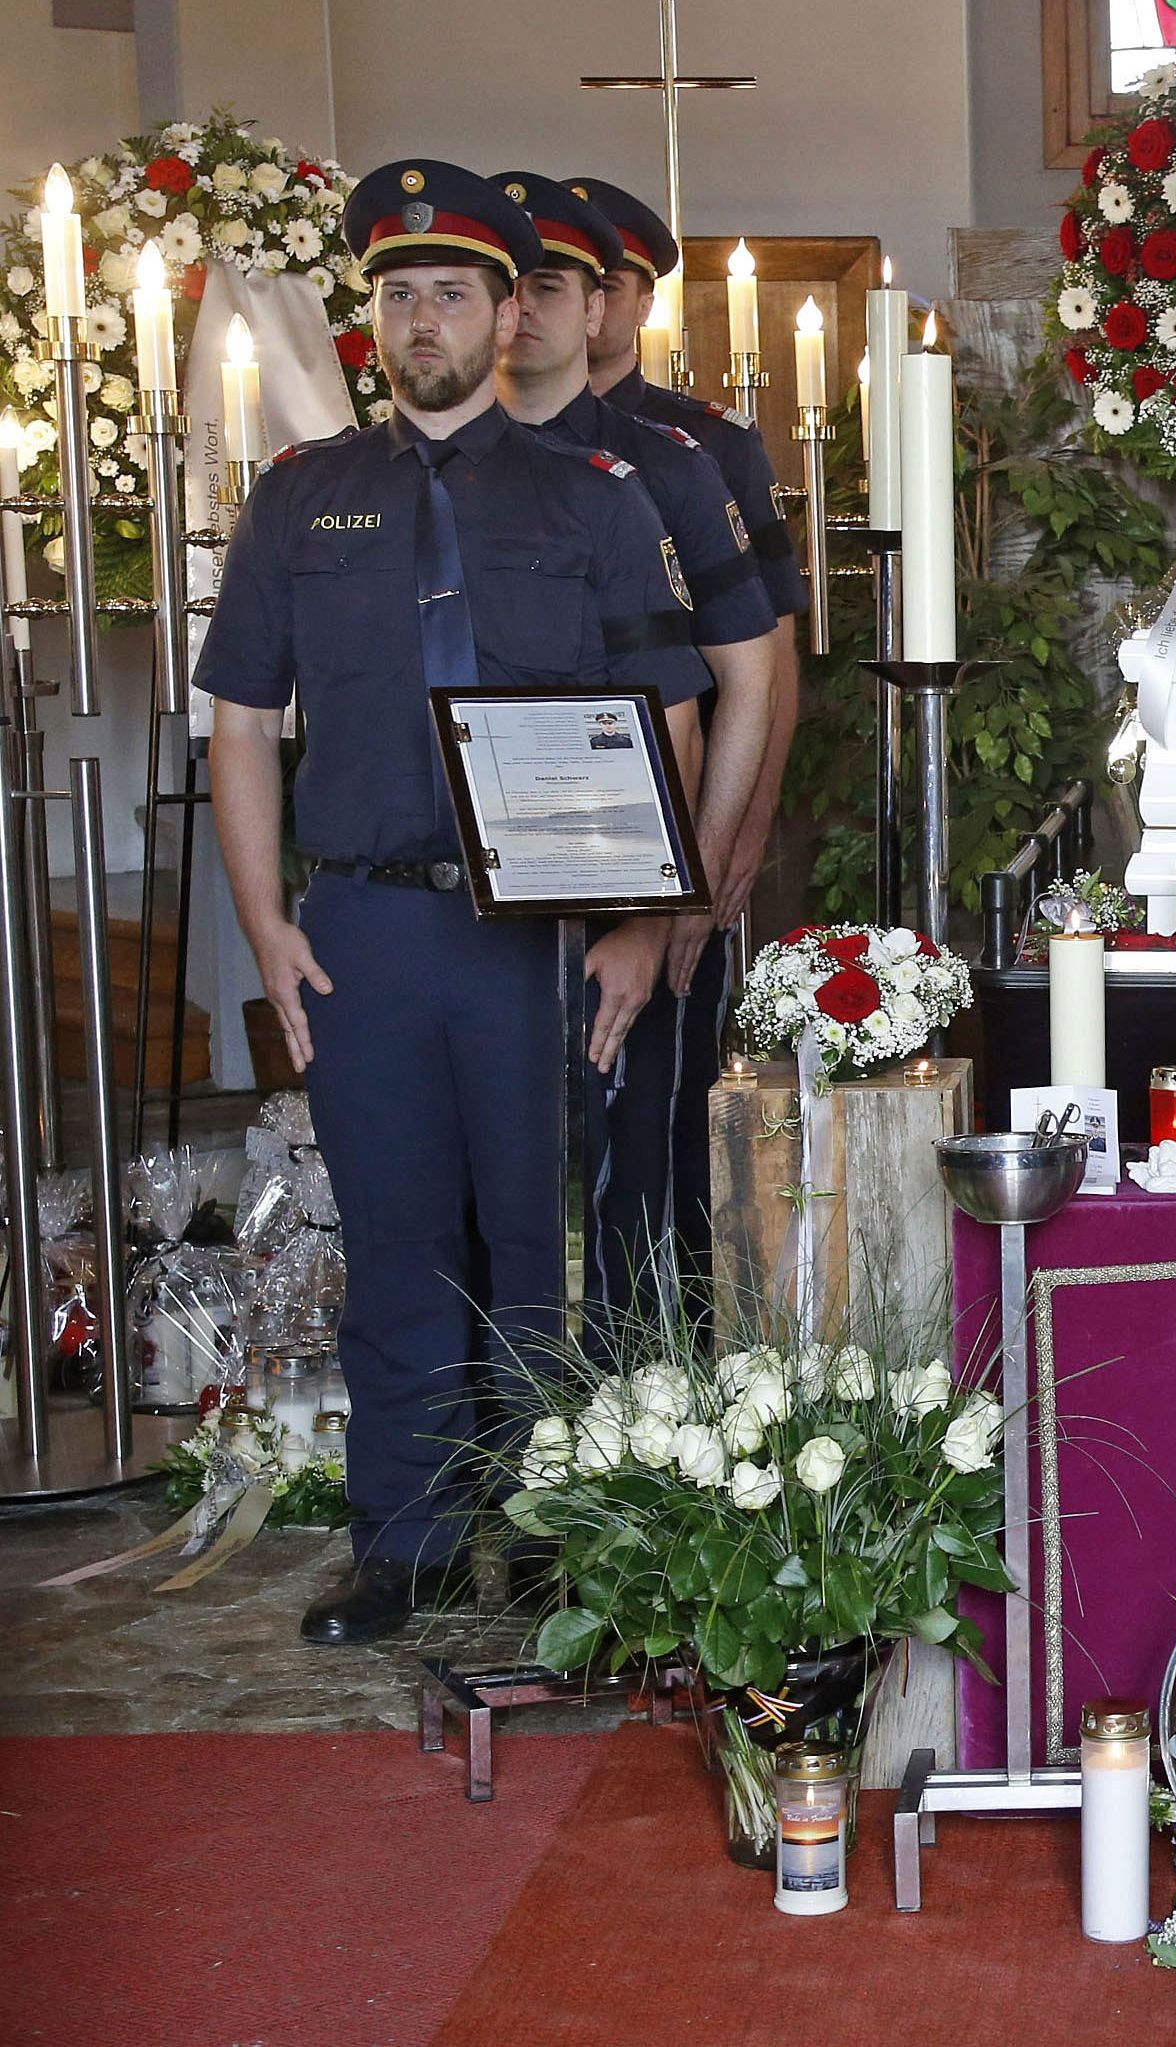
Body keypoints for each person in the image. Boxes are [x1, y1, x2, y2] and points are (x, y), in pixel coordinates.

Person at [200, 161, 711, 1645]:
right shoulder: (303, 499)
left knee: (545, 1239)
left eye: (453, 293)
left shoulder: (598, 496)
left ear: (505, 314)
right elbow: (240, 720)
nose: (423, 317)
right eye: (399, 294)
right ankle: (407, 1542)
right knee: (400, 1233)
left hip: (538, 934)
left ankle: (559, 1528)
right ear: (374, 318)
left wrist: (641, 920)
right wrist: (268, 927)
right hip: (364, 925)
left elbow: (667, 715)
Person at [492, 170, 776, 1314]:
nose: (525, 313)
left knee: (636, 1188)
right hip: (463, 892)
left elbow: (744, 680)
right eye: (501, 287)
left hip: (621, 877)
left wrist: (684, 891)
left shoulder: (664, 464)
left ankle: (630, 1443)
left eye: (554, 286)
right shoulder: (406, 465)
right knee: (486, 1176)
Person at [574, 175, 809, 1303]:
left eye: (611, 284)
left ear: (635, 299)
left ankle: (657, 1348)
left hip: (683, 815)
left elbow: (767, 665)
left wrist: (727, 855)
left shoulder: (699, 447)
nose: (589, 307)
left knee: (662, 1103)